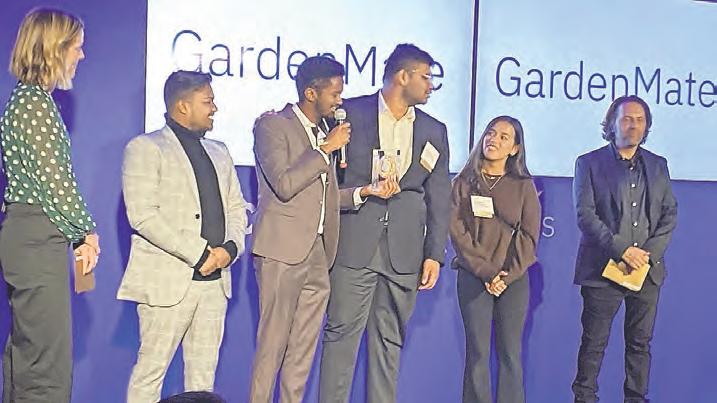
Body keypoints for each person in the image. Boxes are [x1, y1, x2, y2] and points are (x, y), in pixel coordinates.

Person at [318, 43, 451, 403]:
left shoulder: (434, 130)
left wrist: (434, 254)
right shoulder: (349, 114)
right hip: (354, 245)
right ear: (402, 76)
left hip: (404, 253)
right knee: (341, 337)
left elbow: (440, 197)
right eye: (426, 77)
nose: (431, 86)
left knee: (389, 343)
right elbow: (327, 179)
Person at [117, 70, 248, 403]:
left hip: (215, 285)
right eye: (208, 101)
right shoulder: (145, 148)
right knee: (150, 375)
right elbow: (142, 215)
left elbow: (237, 208)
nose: (215, 108)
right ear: (183, 106)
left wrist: (230, 249)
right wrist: (200, 254)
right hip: (168, 283)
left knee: (203, 382)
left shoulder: (220, 151)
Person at [0, 8, 100, 403]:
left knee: (28, 359)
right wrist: (86, 231)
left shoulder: (27, 101)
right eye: (76, 47)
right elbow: (55, 182)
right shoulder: (35, 105)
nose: (81, 55)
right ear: (54, 49)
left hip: (31, 235)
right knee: (46, 368)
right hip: (37, 238)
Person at [249, 55, 359, 403]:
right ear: (311, 93)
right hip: (282, 250)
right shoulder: (272, 126)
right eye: (334, 94)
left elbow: (321, 197)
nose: (340, 101)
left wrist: (363, 193)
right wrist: (325, 150)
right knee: (272, 345)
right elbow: (284, 184)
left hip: (318, 253)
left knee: (302, 351)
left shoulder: (323, 133)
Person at [571, 95, 677, 403]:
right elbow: (585, 215)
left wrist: (647, 255)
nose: (634, 126)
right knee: (593, 344)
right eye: (627, 119)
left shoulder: (658, 165)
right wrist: (622, 250)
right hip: (602, 270)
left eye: (640, 120)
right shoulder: (588, 163)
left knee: (640, 346)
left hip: (647, 272)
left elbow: (669, 213)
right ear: (612, 124)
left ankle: (636, 398)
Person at [450, 116, 540, 403]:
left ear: (514, 149)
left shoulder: (523, 186)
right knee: (477, 353)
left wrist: (506, 276)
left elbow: (529, 236)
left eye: (504, 137)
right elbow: (458, 232)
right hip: (473, 277)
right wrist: (486, 271)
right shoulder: (463, 182)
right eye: (491, 133)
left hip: (512, 281)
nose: (494, 140)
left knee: (510, 353)